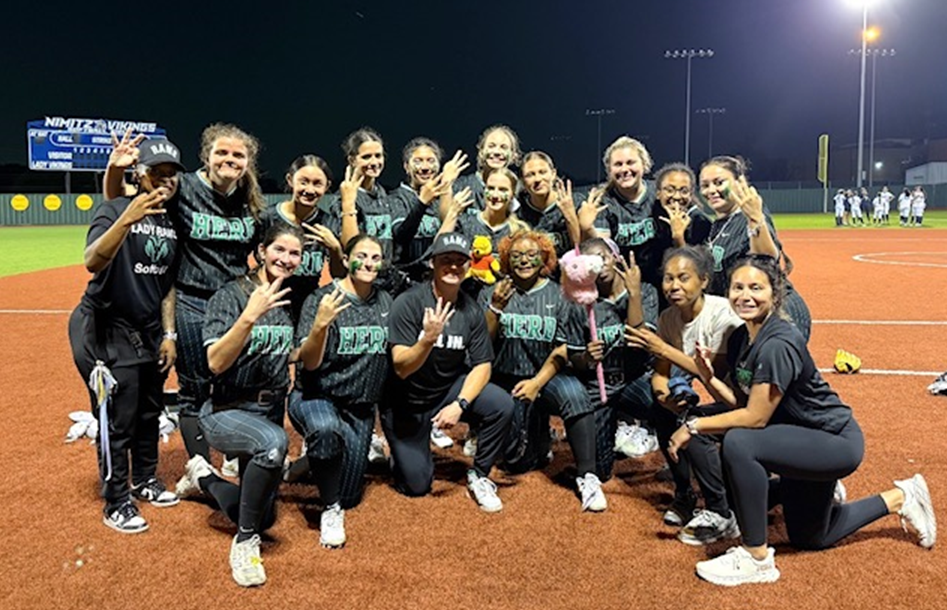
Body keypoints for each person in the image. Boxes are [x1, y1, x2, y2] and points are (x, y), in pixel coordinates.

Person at [667, 254, 936, 587]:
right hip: (797, 438)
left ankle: (756, 558)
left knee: (738, 441)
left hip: (832, 441)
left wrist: (692, 426)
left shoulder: (778, 343)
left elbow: (753, 418)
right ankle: (901, 497)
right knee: (811, 537)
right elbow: (743, 402)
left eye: (756, 287)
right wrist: (708, 378)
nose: (745, 295)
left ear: (775, 294)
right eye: (738, 287)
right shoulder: (742, 337)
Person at [105, 125, 266, 467]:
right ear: (206, 157)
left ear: (247, 161)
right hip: (192, 301)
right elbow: (120, 200)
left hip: (233, 304)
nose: (230, 159)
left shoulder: (250, 200)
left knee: (232, 384)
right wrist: (117, 169)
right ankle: (199, 466)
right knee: (195, 387)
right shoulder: (185, 188)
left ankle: (231, 451)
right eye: (222, 152)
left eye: (238, 155)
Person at [174, 224, 300, 587]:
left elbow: (284, 352)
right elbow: (214, 361)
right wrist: (249, 316)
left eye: (294, 253)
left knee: (265, 514)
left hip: (270, 408)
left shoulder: (290, 296)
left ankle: (204, 477)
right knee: (274, 446)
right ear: (261, 251)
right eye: (279, 250)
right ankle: (244, 542)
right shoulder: (230, 295)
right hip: (228, 411)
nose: (286, 259)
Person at [68, 140, 184, 533]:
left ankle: (145, 479)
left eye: (172, 174)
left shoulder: (171, 222)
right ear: (141, 174)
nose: (166, 180)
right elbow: (92, 261)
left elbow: (167, 284)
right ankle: (116, 500)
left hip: (149, 328)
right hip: (105, 326)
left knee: (150, 409)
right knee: (119, 415)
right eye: (157, 172)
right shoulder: (113, 209)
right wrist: (126, 218)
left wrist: (168, 333)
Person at [383, 232, 514, 511]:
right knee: (417, 486)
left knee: (501, 404)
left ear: (469, 266)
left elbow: (482, 365)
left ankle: (479, 475)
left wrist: (460, 404)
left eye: (460, 261)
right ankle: (403, 452)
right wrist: (427, 339)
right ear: (432, 263)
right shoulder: (409, 302)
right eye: (446, 260)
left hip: (446, 390)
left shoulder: (471, 310)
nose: (453, 267)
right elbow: (401, 367)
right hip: (407, 401)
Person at [626, 246, 742, 543]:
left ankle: (721, 510)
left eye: (683, 278)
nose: (674, 286)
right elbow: (661, 371)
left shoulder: (723, 314)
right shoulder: (668, 318)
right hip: (723, 397)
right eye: (668, 279)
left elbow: (712, 371)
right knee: (663, 412)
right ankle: (685, 495)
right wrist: (663, 395)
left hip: (745, 399)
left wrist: (663, 348)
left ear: (704, 281)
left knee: (693, 425)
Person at [482, 230, 604, 510]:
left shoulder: (560, 293)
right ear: (506, 260)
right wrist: (495, 308)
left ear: (544, 258)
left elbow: (564, 349)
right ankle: (537, 434)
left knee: (574, 393)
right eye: (516, 256)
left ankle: (588, 476)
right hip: (506, 381)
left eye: (531, 255)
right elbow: (484, 344)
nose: (524, 260)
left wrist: (537, 383)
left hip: (548, 377)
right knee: (517, 463)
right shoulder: (495, 291)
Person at [287, 234, 392, 548]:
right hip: (317, 396)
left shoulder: (385, 300)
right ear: (345, 260)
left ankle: (309, 463)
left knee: (350, 495)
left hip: (358, 407)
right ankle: (330, 510)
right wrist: (319, 326)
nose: (369, 263)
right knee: (326, 431)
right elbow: (309, 362)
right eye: (362, 256)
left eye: (376, 257)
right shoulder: (322, 298)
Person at [559, 238, 653, 482]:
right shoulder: (580, 303)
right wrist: (587, 357)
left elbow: (639, 342)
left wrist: (634, 295)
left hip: (635, 379)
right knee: (599, 472)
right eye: (592, 261)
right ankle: (611, 426)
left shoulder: (646, 290)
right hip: (599, 387)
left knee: (666, 405)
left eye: (604, 256)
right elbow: (575, 359)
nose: (599, 264)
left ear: (616, 256)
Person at [697, 155, 811, 342]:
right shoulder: (716, 225)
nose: (711, 190)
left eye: (719, 182)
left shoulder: (749, 215)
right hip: (746, 313)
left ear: (739, 182)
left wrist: (756, 219)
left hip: (776, 313)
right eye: (705, 185)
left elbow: (766, 257)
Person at [259, 155, 345, 321]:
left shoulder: (329, 223)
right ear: (290, 180)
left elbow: (338, 275)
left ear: (327, 186)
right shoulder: (267, 218)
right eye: (303, 182)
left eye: (317, 183)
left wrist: (335, 248)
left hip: (309, 308)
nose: (310, 190)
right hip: (270, 306)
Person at [388, 138, 467, 282]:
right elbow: (401, 237)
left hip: (439, 277)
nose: (425, 167)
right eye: (418, 161)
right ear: (406, 166)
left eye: (431, 161)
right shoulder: (396, 197)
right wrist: (422, 203)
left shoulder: (444, 199)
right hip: (405, 280)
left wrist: (447, 185)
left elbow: (451, 234)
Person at [451, 124, 523, 213]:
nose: (497, 152)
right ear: (481, 152)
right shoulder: (462, 186)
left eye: (503, 147)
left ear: (513, 155)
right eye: (491, 146)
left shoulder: (520, 193)